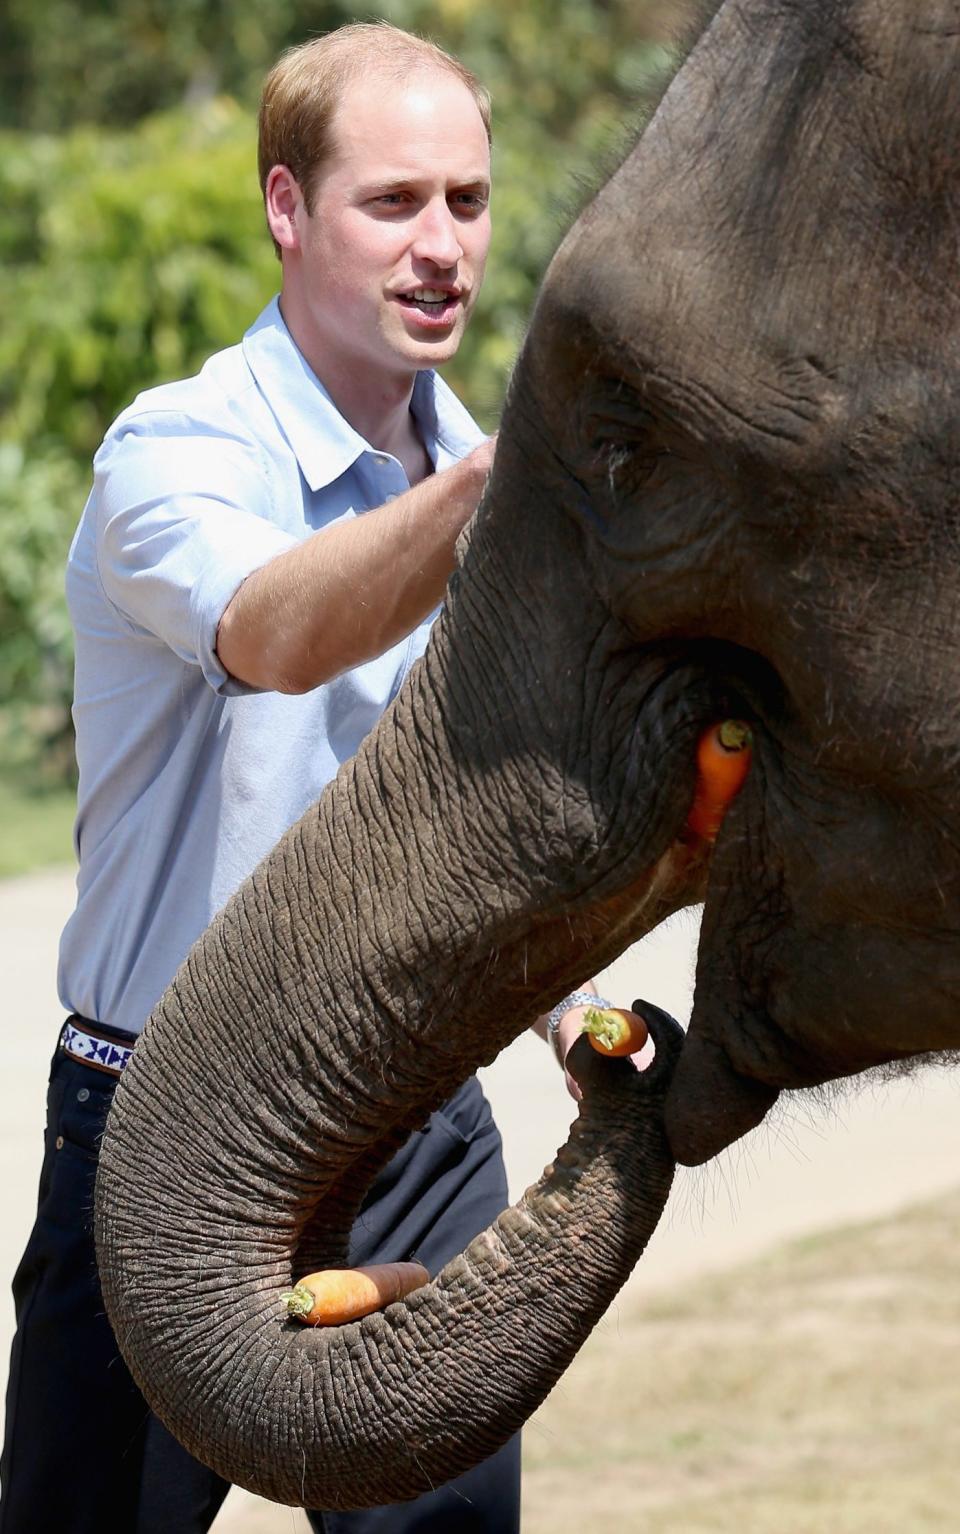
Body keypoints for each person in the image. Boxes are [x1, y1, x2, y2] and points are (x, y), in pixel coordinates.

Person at [0, 22, 614, 1534]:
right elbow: (275, 630)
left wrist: (565, 998)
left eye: (467, 204)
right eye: (392, 202)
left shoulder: (491, 482)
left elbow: (497, 815)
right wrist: (491, 489)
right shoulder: (178, 454)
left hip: (413, 1132)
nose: (443, 247)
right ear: (287, 207)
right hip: (165, 1137)